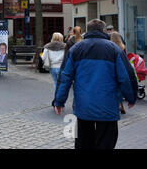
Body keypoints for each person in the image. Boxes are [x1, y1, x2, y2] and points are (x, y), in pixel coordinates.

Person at [54, 19, 138, 149]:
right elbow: (125, 77)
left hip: (83, 106)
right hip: (108, 106)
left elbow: (65, 77)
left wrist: (59, 101)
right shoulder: (114, 49)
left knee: (83, 142)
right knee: (106, 143)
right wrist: (131, 97)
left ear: (88, 30)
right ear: (103, 30)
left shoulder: (76, 49)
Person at [111, 31, 129, 114]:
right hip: (122, 68)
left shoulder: (110, 47)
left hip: (113, 69)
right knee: (120, 87)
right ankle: (120, 104)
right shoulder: (122, 47)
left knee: (114, 87)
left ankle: (118, 104)